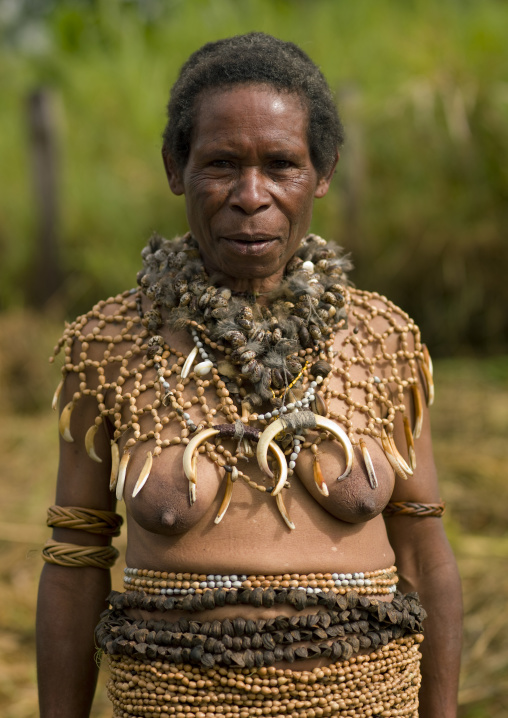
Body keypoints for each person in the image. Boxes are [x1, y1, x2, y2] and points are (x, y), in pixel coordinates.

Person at [37, 33, 462, 718]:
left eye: (282, 164)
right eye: (221, 164)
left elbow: (425, 551)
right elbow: (74, 559)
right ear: (176, 167)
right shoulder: (109, 346)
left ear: (323, 172)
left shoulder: (385, 340)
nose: (251, 195)